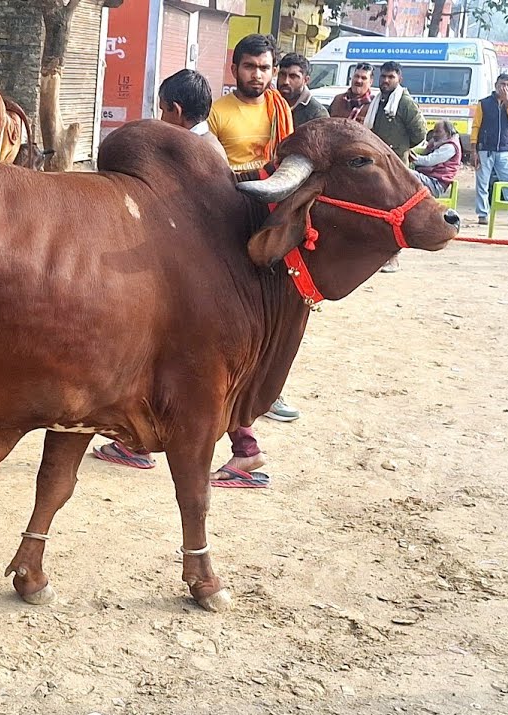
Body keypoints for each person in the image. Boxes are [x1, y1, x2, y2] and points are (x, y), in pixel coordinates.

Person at [92, 37, 295, 486]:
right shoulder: (216, 121)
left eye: (264, 67)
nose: (257, 75)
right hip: (216, 247)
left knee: (207, 355)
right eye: (249, 66)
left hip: (226, 252)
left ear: (176, 113)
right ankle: (141, 441)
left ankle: (242, 448)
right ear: (235, 68)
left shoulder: (254, 123)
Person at [366, 61, 426, 273]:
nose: (386, 81)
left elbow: (420, 132)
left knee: (395, 211)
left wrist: (402, 148)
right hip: (377, 164)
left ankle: (394, 258)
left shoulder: (404, 102)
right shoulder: (379, 102)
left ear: (399, 78)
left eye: (390, 77)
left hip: (396, 166)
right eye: (383, 77)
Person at [472, 73, 508, 228]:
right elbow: (476, 126)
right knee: (483, 183)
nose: (505, 88)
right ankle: (482, 214)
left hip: (504, 149)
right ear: (496, 85)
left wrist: (507, 100)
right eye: (502, 84)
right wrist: (474, 150)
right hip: (485, 148)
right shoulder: (484, 103)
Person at [409, 120, 462, 198]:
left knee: (405, 172)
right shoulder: (439, 144)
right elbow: (424, 150)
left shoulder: (450, 147)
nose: (434, 135)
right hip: (429, 179)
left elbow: (429, 161)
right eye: (434, 131)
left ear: (448, 133)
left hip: (435, 184)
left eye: (438, 132)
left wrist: (411, 157)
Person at [277, 53, 330, 127]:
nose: (286, 81)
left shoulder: (317, 113)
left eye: (293, 76)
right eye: (282, 74)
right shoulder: (270, 102)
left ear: (306, 80)